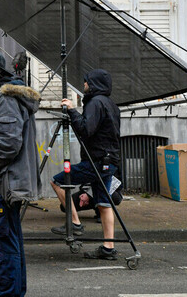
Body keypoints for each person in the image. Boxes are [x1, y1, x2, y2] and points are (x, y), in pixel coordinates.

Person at [0, 50, 41, 297]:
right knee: (9, 245)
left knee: (1, 248)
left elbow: (9, 143)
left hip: (3, 184)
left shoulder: (5, 99)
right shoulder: (2, 97)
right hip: (6, 183)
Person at [50, 69, 122, 261]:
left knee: (57, 182)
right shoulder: (111, 104)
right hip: (108, 161)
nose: (84, 85)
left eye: (86, 82)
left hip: (97, 162)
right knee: (104, 204)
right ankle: (108, 248)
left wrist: (72, 110)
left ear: (94, 84)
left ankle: (75, 223)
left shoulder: (95, 103)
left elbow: (85, 129)